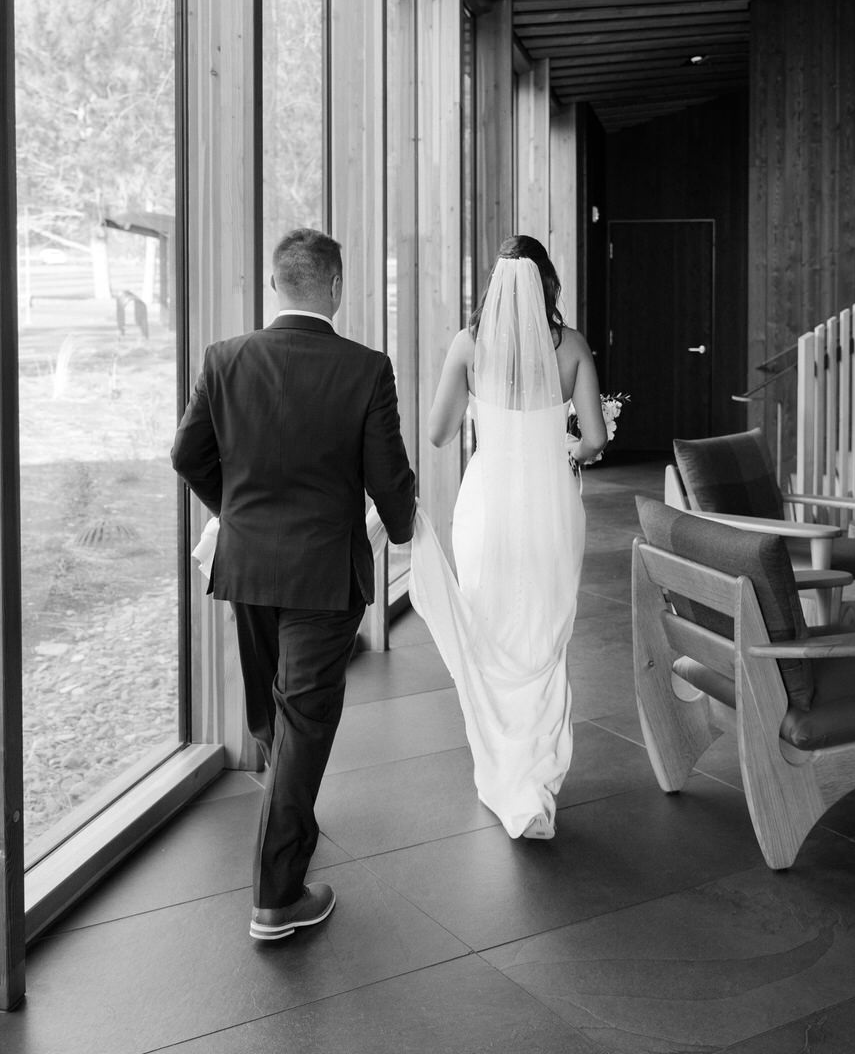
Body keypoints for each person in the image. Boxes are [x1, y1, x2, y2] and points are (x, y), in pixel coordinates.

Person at [171, 229, 416, 940]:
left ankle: (287, 801)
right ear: (336, 287)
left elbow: (187, 455)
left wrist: (238, 514)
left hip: (245, 565)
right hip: (320, 572)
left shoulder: (223, 360)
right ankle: (277, 896)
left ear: (276, 284)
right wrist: (401, 530)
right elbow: (387, 479)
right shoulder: (366, 369)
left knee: (275, 715)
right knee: (304, 719)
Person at [414, 233, 607, 840]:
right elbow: (596, 441)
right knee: (546, 636)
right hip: (551, 508)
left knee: (492, 630)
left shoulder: (470, 346)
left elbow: (439, 434)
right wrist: (567, 447)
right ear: (547, 283)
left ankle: (501, 769)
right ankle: (537, 777)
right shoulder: (570, 346)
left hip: (489, 509)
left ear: (496, 287)